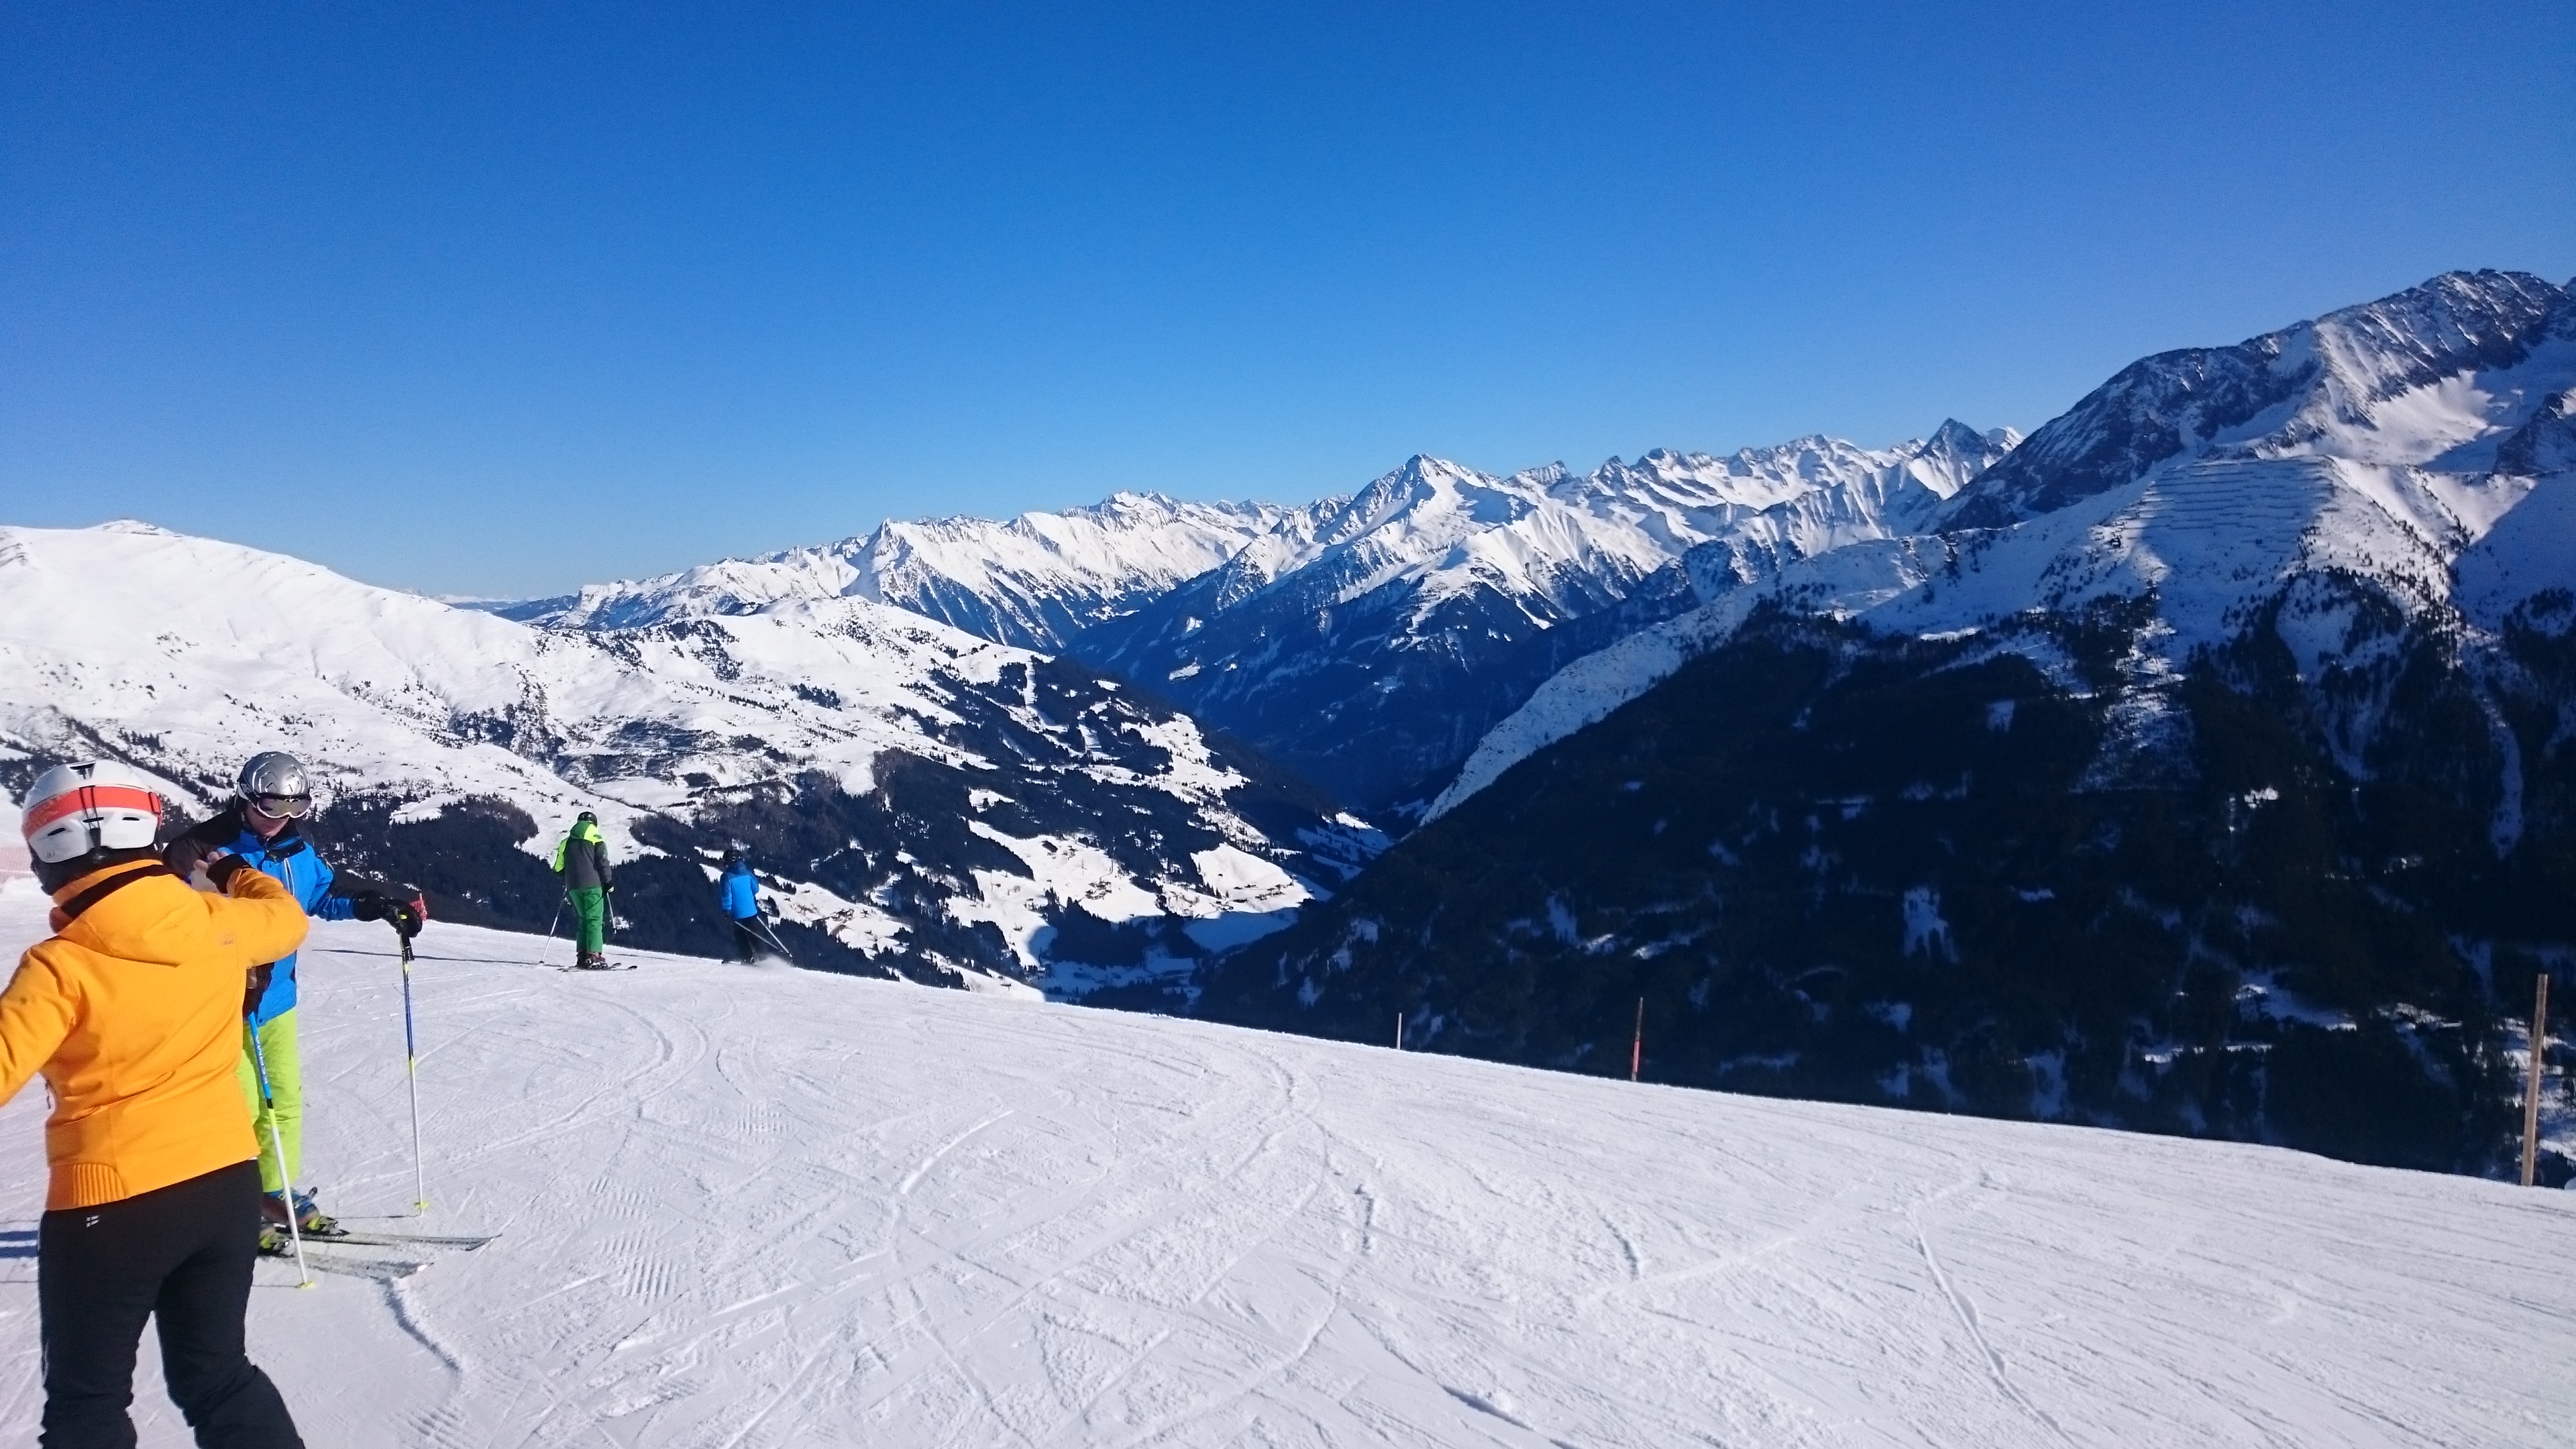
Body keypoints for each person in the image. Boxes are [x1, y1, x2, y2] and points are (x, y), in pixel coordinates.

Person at [1, 760, 309, 1447]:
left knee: (88, 1407)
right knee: (220, 1379)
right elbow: (286, 921)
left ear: (52, 852)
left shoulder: (62, 966)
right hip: (224, 1184)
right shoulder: (216, 922)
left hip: (109, 1208)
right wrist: (232, 871)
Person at [164, 751, 421, 1252]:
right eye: (269, 808)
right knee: (233, 1105)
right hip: (216, 1002)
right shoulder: (198, 850)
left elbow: (322, 896)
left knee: (282, 1102)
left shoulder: (293, 850)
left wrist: (376, 906)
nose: (280, 820)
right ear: (244, 799)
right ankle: (229, 1203)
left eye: (293, 810)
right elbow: (161, 920)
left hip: (276, 1000)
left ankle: (272, 1190)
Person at [552, 810, 615, 969]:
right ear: (594, 824)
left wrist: (568, 880)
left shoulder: (566, 842)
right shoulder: (597, 840)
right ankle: (594, 955)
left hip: (574, 887)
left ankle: (582, 955)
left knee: (583, 920)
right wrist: (608, 883)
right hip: (593, 886)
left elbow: (558, 868)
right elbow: (603, 863)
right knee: (594, 920)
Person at [717, 846, 763, 963]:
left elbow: (726, 896)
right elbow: (756, 889)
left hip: (737, 913)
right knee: (755, 936)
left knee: (740, 936)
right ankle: (765, 959)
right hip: (751, 910)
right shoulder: (748, 873)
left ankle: (748, 959)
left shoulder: (726, 877)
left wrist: (726, 910)